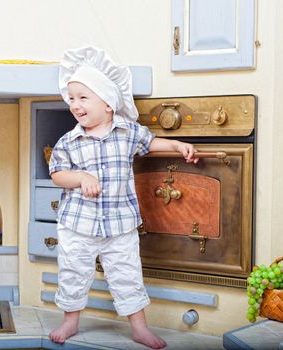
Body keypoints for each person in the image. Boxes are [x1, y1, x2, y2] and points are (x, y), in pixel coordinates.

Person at [48, 46, 198, 349]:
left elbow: (151, 144)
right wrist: (80, 178)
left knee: (127, 274)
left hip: (120, 224)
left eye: (83, 97)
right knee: (74, 272)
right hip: (79, 224)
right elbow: (57, 175)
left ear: (107, 103)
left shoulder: (128, 132)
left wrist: (177, 146)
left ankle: (139, 328)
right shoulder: (69, 141)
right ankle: (70, 321)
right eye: (72, 98)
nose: (75, 104)